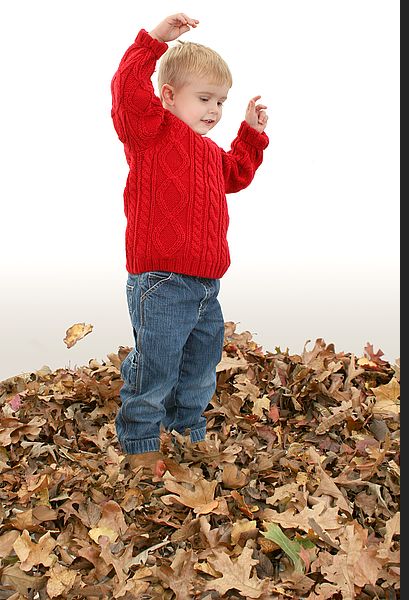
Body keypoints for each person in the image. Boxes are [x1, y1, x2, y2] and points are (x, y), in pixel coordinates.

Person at [110, 13, 269, 476]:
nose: (214, 110)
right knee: (157, 364)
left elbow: (236, 173)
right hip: (160, 280)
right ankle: (140, 435)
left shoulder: (209, 152)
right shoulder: (152, 133)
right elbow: (125, 91)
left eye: (220, 101)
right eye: (204, 98)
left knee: (200, 364)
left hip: (205, 286)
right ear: (167, 97)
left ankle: (187, 430)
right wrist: (154, 42)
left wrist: (251, 133)